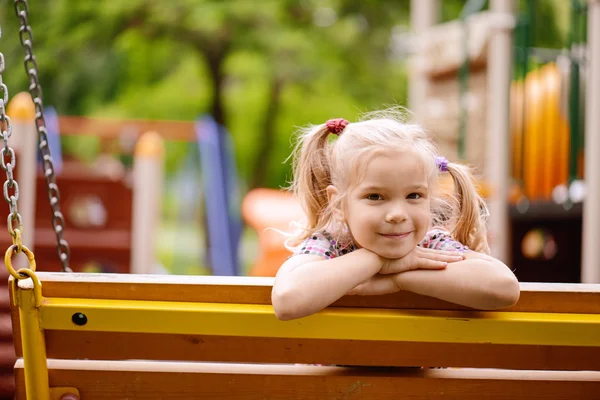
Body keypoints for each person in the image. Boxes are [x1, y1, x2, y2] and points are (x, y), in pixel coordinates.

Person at [271, 108, 520, 321]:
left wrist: (396, 279)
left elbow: (504, 288)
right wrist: (378, 261)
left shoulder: (431, 245)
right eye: (375, 197)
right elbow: (287, 299)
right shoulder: (330, 244)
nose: (397, 214)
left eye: (414, 196)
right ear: (337, 203)